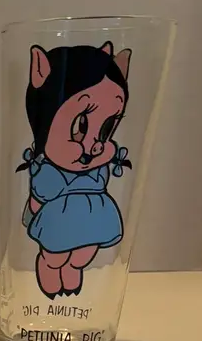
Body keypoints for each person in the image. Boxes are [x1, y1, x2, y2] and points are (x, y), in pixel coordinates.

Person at [19, 41, 132, 299]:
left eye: (106, 129)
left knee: (84, 253)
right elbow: (40, 195)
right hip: (59, 218)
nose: (95, 145)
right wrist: (34, 211)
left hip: (94, 217)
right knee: (55, 254)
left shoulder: (99, 170)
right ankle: (50, 267)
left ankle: (73, 270)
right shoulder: (50, 172)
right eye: (80, 126)